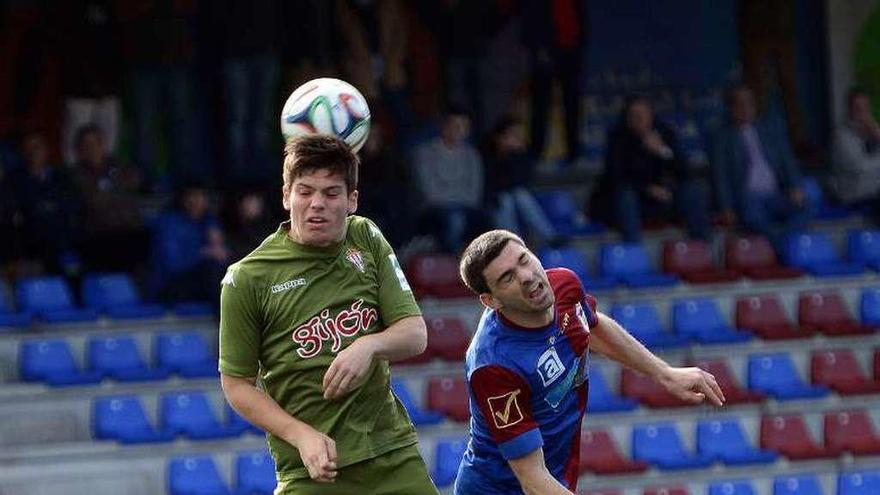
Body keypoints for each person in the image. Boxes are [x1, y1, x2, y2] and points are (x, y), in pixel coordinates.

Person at [219, 135, 439, 494]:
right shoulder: (246, 277)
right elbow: (236, 385)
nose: (316, 204)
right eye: (305, 192)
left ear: (352, 200)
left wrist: (369, 346)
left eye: (331, 193)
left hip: (390, 454)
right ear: (286, 195)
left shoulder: (365, 236)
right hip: (312, 469)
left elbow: (415, 334)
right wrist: (300, 435)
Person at [455, 230, 725, 494]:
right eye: (507, 278)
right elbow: (532, 479)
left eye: (524, 260)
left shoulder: (564, 285)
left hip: (556, 476)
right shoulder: (494, 365)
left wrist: (665, 373)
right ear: (491, 301)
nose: (526, 277)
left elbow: (590, 326)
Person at [593, 95, 710, 242]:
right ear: (627, 118)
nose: (639, 119)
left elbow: (684, 171)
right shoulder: (617, 138)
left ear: (651, 115)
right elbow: (616, 177)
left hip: (662, 199)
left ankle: (701, 246)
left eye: (643, 115)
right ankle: (634, 251)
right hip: (634, 199)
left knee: (691, 190)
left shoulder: (664, 133)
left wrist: (663, 151)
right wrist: (648, 188)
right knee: (626, 197)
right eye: (634, 116)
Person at [712, 85, 807, 250]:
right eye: (740, 104)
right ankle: (786, 244)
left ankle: (781, 238)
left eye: (749, 103)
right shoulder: (723, 138)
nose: (745, 108)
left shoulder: (770, 130)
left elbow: (787, 161)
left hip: (776, 194)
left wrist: (795, 186)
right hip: (749, 198)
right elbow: (721, 176)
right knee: (753, 216)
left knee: (808, 201)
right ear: (731, 108)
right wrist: (726, 207)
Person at [72, 124, 147, 272]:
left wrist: (109, 189)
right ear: (79, 150)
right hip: (100, 238)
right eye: (87, 144)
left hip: (130, 232)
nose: (92, 148)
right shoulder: (75, 175)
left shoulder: (118, 165)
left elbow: (134, 181)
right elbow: (94, 202)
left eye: (96, 143)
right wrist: (115, 189)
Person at [413, 106, 487, 253]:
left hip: (466, 207)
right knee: (454, 219)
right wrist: (456, 199)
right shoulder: (425, 153)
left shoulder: (472, 155)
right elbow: (430, 193)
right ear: (444, 126)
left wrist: (456, 199)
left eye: (464, 127)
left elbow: (474, 194)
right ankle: (455, 264)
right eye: (455, 125)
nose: (459, 130)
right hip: (433, 209)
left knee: (489, 219)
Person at [148, 183, 228, 304]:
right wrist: (205, 253)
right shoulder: (169, 223)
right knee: (214, 272)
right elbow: (172, 265)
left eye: (201, 196)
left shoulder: (209, 221)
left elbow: (222, 255)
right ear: (182, 199)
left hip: (202, 283)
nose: (197, 201)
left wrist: (218, 246)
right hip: (170, 284)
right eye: (192, 196)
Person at [486, 115, 558, 245]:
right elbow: (492, 185)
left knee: (519, 195)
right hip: (493, 203)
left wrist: (514, 156)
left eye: (519, 135)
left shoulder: (522, 156)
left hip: (518, 201)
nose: (517, 139)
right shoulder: (487, 156)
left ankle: (550, 237)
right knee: (505, 200)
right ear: (499, 138)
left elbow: (521, 181)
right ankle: (514, 243)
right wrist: (504, 156)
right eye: (512, 135)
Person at [828, 88, 880, 212]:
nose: (863, 114)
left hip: (873, 189)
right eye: (858, 109)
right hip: (852, 192)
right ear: (849, 111)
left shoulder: (872, 131)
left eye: (866, 108)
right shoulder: (841, 136)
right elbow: (862, 168)